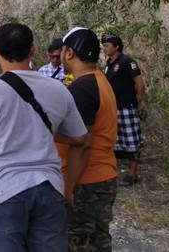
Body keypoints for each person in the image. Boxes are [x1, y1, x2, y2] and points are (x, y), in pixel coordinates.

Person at [0, 23, 90, 251]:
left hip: (0, 190)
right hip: (49, 187)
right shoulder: (58, 89)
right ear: (33, 50)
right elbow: (81, 138)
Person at [59, 27, 118, 251]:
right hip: (102, 176)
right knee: (99, 242)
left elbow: (82, 144)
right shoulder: (100, 80)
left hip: (85, 181)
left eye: (63, 50)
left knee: (77, 243)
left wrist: (68, 187)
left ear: (70, 53)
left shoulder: (81, 87)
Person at [101, 34, 146, 186]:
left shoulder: (127, 62)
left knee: (132, 139)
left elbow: (139, 83)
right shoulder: (108, 64)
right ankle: (112, 172)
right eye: (104, 45)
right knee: (114, 141)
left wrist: (138, 102)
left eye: (107, 45)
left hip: (127, 107)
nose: (104, 48)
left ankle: (132, 173)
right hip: (112, 108)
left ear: (117, 47)